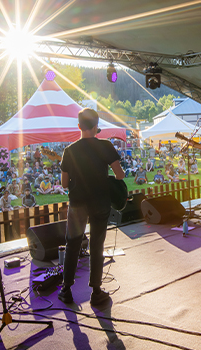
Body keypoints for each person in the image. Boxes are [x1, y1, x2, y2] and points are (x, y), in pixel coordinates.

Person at [58, 108, 125, 306]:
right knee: (97, 245)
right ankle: (96, 291)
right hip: (100, 202)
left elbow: (63, 183)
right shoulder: (105, 146)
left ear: (79, 126)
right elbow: (120, 175)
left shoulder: (69, 150)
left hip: (78, 203)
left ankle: (66, 289)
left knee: (73, 244)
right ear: (97, 127)